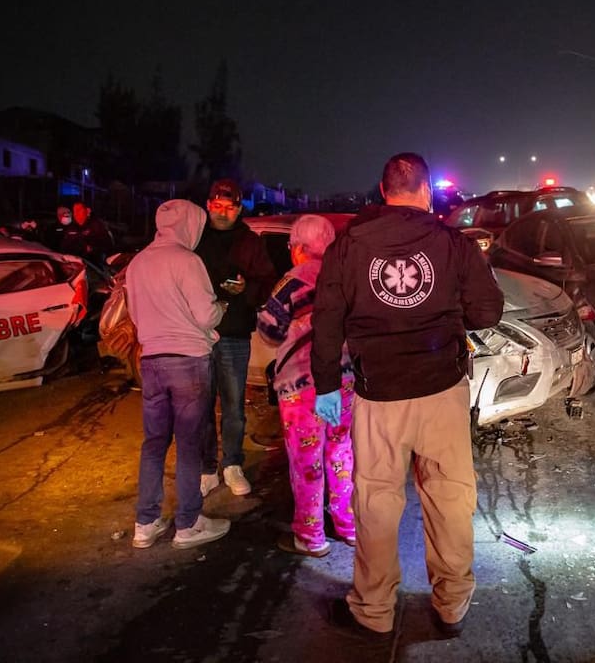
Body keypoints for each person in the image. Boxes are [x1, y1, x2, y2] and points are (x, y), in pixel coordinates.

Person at [311, 152, 504, 638]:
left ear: (382, 190)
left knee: (375, 501)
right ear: (427, 191)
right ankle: (452, 605)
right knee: (450, 498)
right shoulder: (453, 242)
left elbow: (327, 320)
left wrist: (327, 386)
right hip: (441, 389)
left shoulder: (349, 243)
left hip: (379, 395)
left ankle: (373, 611)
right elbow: (487, 313)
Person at [125, 198, 231, 550]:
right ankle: (188, 524)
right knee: (188, 444)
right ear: (190, 224)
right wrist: (221, 307)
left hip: (152, 361)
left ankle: (146, 521)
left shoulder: (137, 262)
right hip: (188, 361)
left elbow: (137, 315)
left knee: (154, 443)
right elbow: (205, 316)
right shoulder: (188, 261)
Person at [256, 215, 355, 557]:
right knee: (342, 454)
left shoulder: (291, 282)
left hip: (302, 387)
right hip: (344, 381)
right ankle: (348, 525)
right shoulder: (344, 277)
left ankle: (311, 536)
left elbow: (269, 331)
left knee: (307, 462)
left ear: (299, 247)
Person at [194, 178, 277, 497]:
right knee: (200, 406)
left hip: (234, 333)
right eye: (218, 206)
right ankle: (206, 467)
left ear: (240, 209)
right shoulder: (195, 238)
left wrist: (247, 289)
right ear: (208, 204)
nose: (223, 212)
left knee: (232, 405)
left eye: (230, 207)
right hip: (199, 334)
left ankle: (232, 463)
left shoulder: (249, 241)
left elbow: (268, 279)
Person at [61, 201, 114, 266]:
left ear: (88, 211)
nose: (76, 213)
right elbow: (64, 247)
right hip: (74, 264)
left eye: (79, 210)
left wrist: (92, 249)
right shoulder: (71, 228)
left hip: (94, 266)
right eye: (74, 211)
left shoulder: (97, 226)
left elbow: (107, 245)